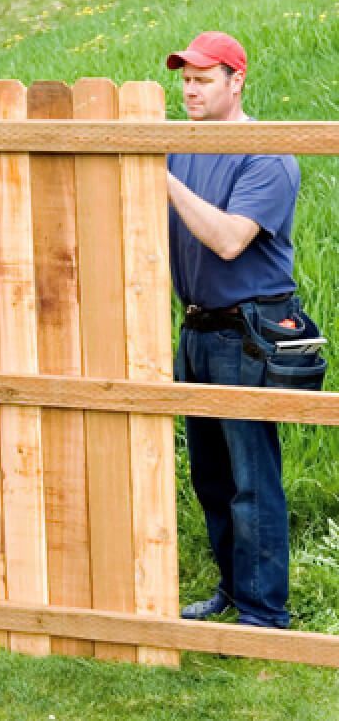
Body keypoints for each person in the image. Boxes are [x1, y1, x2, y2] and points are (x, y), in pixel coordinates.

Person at [165, 31, 311, 628]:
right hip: (198, 329)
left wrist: (158, 176)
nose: (191, 90)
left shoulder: (268, 154)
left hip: (248, 332)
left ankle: (264, 612)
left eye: (203, 80)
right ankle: (232, 590)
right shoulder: (181, 148)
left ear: (236, 81)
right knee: (211, 476)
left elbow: (228, 240)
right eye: (186, 80)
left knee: (252, 479)